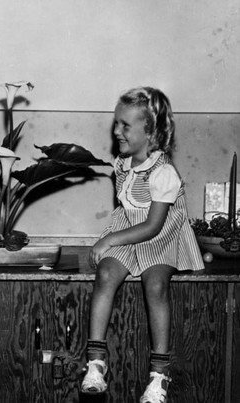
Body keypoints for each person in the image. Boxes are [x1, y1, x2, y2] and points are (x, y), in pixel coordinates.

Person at [80, 87, 204, 402]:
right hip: (129, 229)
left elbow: (152, 226)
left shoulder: (164, 173)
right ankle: (95, 363)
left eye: (125, 125)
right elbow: (127, 211)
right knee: (106, 274)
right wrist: (113, 241)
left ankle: (159, 376)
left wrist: (109, 239)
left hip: (160, 235)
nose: (116, 130)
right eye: (116, 123)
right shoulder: (122, 165)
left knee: (156, 285)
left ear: (149, 132)